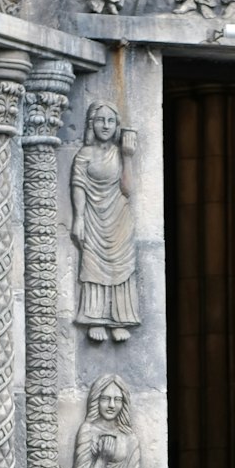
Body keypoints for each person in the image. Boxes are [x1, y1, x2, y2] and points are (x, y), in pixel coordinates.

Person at [70, 103, 140, 344]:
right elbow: (78, 186)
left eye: (110, 121)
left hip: (119, 216)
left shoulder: (120, 154)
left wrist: (128, 157)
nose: (106, 126)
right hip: (92, 215)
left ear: (116, 125)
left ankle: (121, 318)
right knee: (93, 263)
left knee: (122, 265)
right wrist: (78, 218)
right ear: (92, 123)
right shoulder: (84, 155)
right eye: (101, 120)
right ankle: (95, 316)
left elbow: (128, 189)